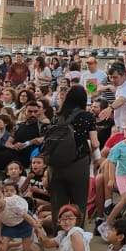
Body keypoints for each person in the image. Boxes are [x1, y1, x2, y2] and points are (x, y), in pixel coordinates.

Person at [45, 86, 100, 224]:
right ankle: (77, 233)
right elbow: (95, 143)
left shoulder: (57, 116)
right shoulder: (87, 116)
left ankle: (59, 233)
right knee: (78, 204)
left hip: (55, 165)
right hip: (78, 163)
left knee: (57, 205)